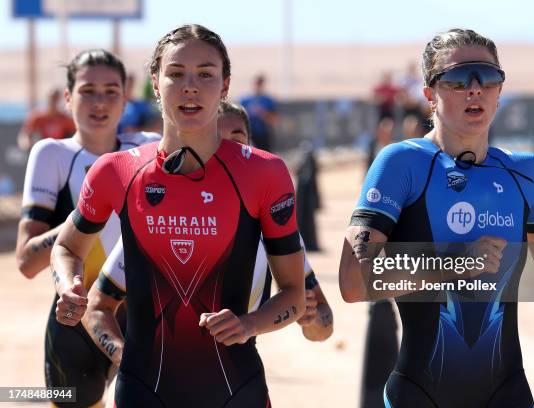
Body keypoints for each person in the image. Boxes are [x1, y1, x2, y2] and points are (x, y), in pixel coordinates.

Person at [50, 24, 305, 408]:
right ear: (155, 82)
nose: (190, 86)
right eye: (176, 74)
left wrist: (249, 324)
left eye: (205, 74)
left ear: (225, 86)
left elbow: (294, 295)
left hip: (236, 389)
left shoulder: (264, 173)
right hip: (142, 389)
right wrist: (68, 284)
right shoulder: (115, 171)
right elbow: (67, 246)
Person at [339, 28, 534, 408]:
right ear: (428, 95)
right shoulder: (402, 163)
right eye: (457, 79)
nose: (475, 89)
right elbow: (353, 281)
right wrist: (456, 262)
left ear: (500, 92)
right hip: (420, 393)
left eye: (487, 78)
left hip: (507, 392)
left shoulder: (525, 172)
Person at [83, 102, 332, 363]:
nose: (228, 154)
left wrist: (310, 319)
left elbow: (324, 327)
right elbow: (97, 307)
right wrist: (126, 361)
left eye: (237, 141)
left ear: (252, 148)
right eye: (218, 143)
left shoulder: (271, 229)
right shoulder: (161, 223)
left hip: (236, 384)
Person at [16, 49, 159, 408]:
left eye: (111, 91)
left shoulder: (147, 149)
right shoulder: (52, 155)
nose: (100, 102)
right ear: (67, 98)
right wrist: (85, 215)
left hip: (141, 320)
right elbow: (26, 261)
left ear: (125, 100)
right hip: (74, 322)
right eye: (87, 90)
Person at [240, 74, 278, 151]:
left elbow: (274, 119)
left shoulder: (268, 100)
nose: (258, 86)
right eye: (257, 83)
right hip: (249, 133)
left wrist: (263, 113)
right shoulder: (245, 100)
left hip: (263, 134)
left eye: (260, 83)